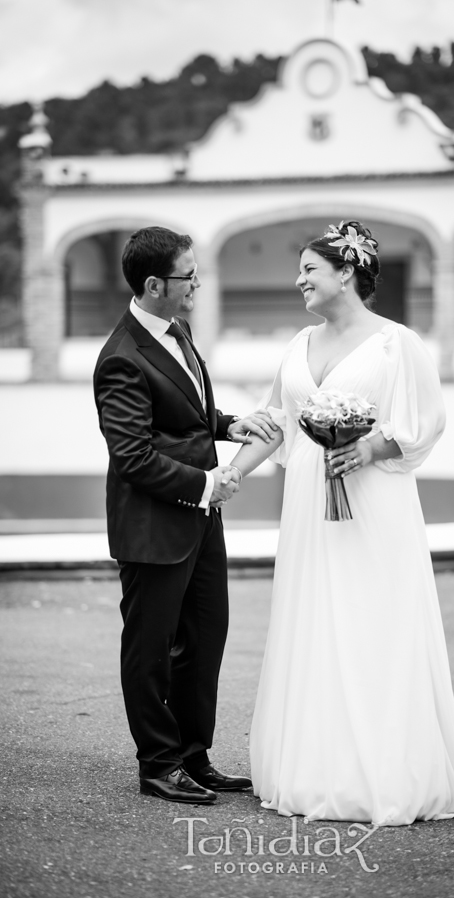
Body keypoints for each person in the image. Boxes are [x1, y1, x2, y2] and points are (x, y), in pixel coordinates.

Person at [229, 220, 454, 825]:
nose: (299, 279)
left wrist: (372, 448)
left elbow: (426, 421)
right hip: (307, 506)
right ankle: (315, 766)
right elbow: (274, 419)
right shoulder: (298, 343)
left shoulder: (396, 344)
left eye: (309, 269)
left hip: (374, 504)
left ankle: (381, 770)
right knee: (315, 619)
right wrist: (232, 475)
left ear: (346, 273)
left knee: (371, 620)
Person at [93, 226, 276, 804]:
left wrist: (228, 425)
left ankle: (195, 757)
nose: (197, 282)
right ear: (154, 285)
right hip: (153, 528)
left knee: (205, 640)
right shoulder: (119, 359)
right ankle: (158, 764)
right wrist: (208, 482)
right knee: (150, 649)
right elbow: (133, 456)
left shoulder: (179, 329)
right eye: (188, 274)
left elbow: (184, 413)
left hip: (200, 520)